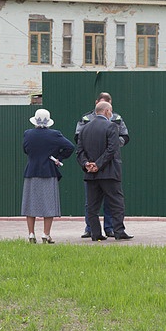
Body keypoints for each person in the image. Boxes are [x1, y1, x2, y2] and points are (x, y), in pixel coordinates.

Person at [75, 92, 129, 238]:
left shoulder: (84, 128)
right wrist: (98, 164)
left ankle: (95, 234)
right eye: (110, 111)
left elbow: (79, 151)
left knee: (92, 207)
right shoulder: (111, 126)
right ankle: (118, 232)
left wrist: (87, 164)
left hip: (91, 174)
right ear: (106, 111)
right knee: (116, 203)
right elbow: (112, 149)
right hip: (109, 173)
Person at [22, 108, 75, 243]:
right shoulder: (54, 135)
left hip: (32, 172)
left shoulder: (28, 134)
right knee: (49, 205)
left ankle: (31, 234)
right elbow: (70, 147)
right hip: (48, 172)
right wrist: (58, 157)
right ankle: (46, 234)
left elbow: (26, 150)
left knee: (30, 205)